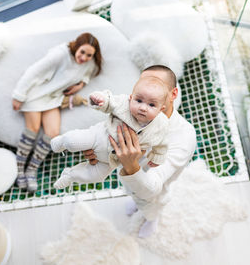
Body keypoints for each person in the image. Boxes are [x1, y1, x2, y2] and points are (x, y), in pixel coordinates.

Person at [84, 65, 197, 238]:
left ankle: (152, 220)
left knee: (150, 208)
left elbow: (153, 187)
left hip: (154, 193)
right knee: (132, 193)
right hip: (129, 179)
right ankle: (136, 202)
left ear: (173, 95)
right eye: (143, 83)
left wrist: (130, 165)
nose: (149, 90)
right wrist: (100, 153)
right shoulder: (133, 113)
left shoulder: (183, 137)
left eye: (157, 85)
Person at [12, 32, 102, 192]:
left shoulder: (88, 63)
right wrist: (19, 95)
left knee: (53, 133)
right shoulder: (60, 54)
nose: (84, 58)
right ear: (76, 46)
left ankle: (31, 171)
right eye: (82, 52)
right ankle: (20, 170)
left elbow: (89, 72)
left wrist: (81, 84)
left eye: (89, 55)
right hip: (36, 94)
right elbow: (34, 71)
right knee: (32, 129)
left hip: (53, 98)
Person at [50, 76, 169, 188]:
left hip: (112, 159)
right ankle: (61, 141)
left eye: (152, 104)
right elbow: (109, 102)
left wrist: (157, 157)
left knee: (97, 176)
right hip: (99, 136)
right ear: (131, 97)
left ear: (161, 109)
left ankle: (70, 175)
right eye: (138, 100)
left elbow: (162, 143)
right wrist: (100, 99)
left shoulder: (161, 126)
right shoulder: (124, 103)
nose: (143, 108)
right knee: (72, 142)